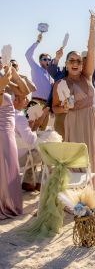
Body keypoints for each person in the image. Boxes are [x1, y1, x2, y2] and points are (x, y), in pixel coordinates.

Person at [52, 11, 95, 185]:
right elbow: (55, 108)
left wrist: (92, 28)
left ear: (82, 64)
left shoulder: (87, 76)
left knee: (90, 156)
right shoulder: (60, 84)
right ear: (66, 63)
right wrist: (63, 109)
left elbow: (92, 50)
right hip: (73, 121)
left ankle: (89, 195)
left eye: (78, 61)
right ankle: (74, 196)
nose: (75, 63)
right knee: (76, 159)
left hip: (90, 120)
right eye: (71, 60)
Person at [0, 65, 30, 219]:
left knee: (11, 166)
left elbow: (25, 91)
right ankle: (4, 205)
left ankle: (11, 203)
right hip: (1, 132)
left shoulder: (4, 79)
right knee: (4, 167)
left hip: (8, 131)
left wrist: (15, 74)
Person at [13, 94, 49, 191]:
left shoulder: (5, 115)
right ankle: (41, 183)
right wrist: (36, 125)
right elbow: (31, 141)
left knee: (31, 150)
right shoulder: (19, 117)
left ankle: (28, 181)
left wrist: (31, 126)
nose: (27, 100)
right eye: (24, 98)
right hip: (18, 159)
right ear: (15, 100)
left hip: (6, 157)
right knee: (46, 150)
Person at [25, 33, 53, 130]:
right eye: (44, 59)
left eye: (49, 59)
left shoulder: (51, 75)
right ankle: (29, 145)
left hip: (46, 105)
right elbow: (28, 54)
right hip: (35, 101)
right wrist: (37, 42)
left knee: (42, 130)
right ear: (40, 61)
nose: (47, 61)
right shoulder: (36, 68)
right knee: (31, 127)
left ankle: (36, 145)